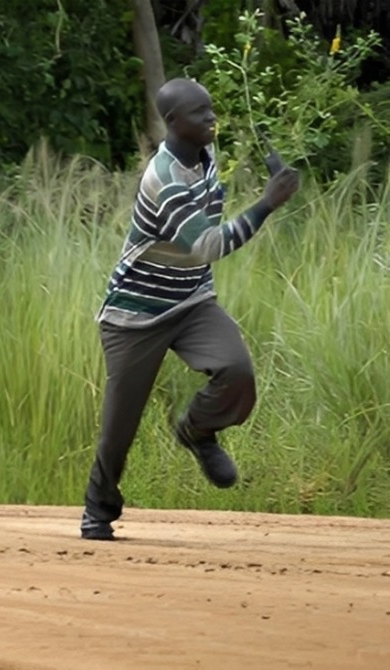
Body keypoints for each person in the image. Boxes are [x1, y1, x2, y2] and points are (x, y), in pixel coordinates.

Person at [80, 77, 300, 541]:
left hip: (191, 299)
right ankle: (98, 509)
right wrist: (268, 203)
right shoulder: (163, 177)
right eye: (201, 113)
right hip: (135, 314)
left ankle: (197, 432)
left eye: (211, 109)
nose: (211, 118)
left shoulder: (205, 155)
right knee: (120, 426)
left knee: (237, 370)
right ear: (174, 123)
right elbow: (206, 245)